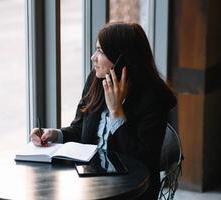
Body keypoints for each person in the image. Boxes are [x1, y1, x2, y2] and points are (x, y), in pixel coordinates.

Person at [31, 22, 177, 199]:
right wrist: (54, 134)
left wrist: (116, 112)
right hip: (90, 181)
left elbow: (142, 161)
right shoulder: (97, 80)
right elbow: (80, 130)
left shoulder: (154, 98)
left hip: (130, 190)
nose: (93, 57)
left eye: (100, 51)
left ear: (121, 58)